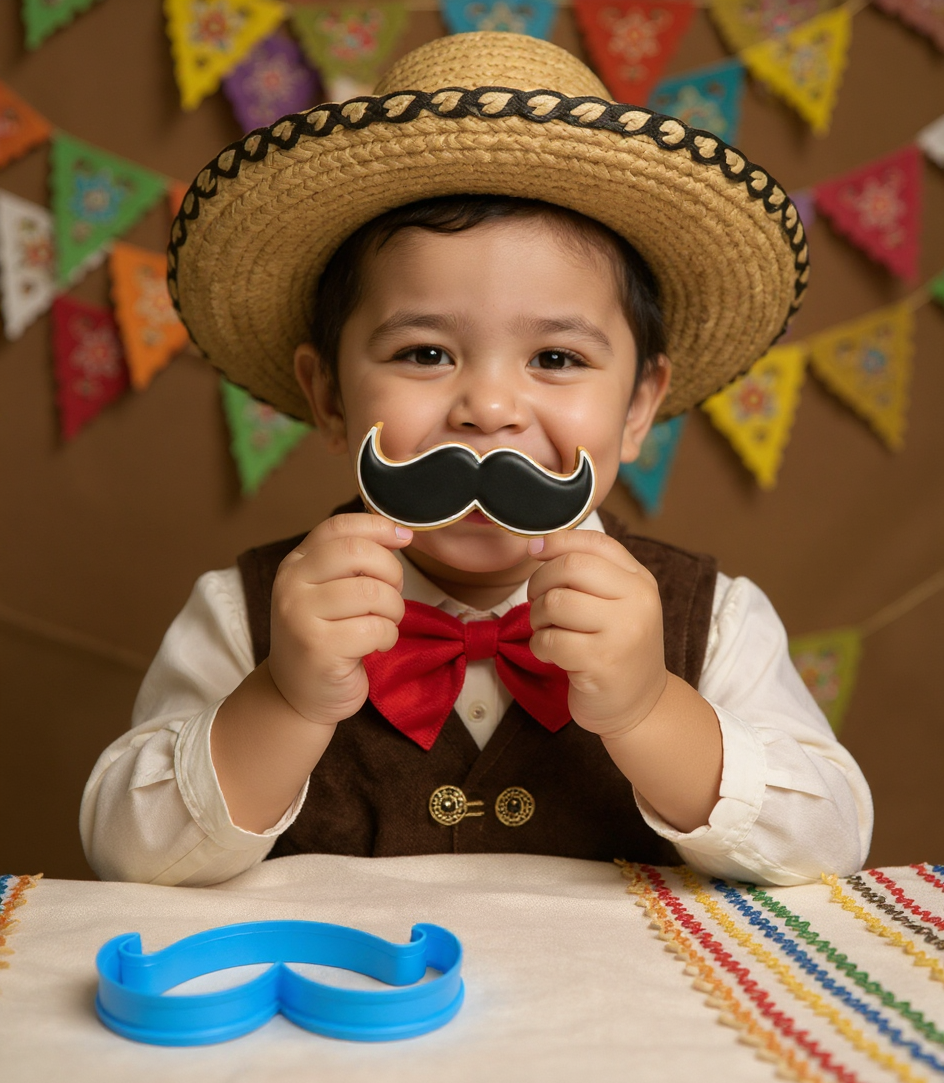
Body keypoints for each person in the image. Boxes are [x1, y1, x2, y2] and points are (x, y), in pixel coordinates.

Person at [80, 32, 872, 888]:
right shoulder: (245, 615)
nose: (489, 409)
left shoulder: (713, 622)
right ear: (330, 397)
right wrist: (283, 697)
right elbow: (125, 854)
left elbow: (830, 844)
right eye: (425, 354)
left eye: (557, 359)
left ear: (639, 406)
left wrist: (652, 709)